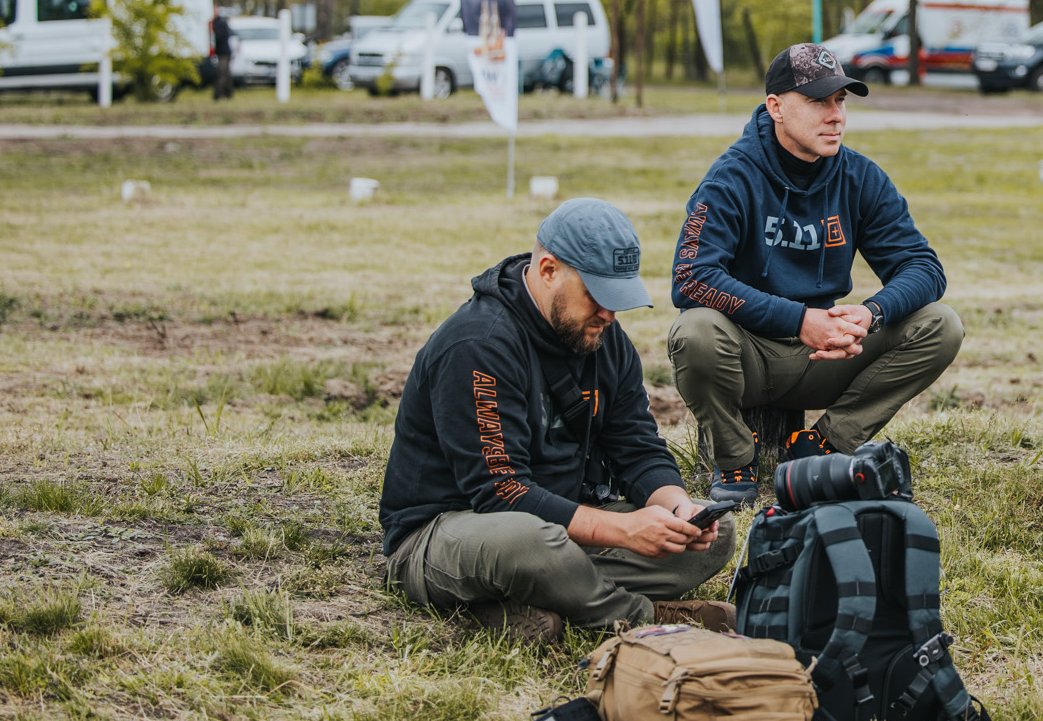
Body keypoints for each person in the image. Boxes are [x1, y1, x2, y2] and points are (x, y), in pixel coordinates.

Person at [379, 198, 734, 644]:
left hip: (559, 530)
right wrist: (622, 528)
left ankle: (534, 605)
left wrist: (678, 507)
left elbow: (637, 446)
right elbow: (501, 493)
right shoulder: (478, 344)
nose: (609, 314)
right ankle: (643, 620)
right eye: (598, 296)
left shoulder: (603, 337)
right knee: (530, 544)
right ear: (548, 270)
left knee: (712, 538)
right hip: (445, 533)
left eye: (618, 299)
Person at [668, 43, 963, 502]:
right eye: (817, 101)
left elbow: (922, 266)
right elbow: (691, 277)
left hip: (824, 358)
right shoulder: (731, 177)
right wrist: (800, 321)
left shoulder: (861, 177)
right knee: (695, 330)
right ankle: (735, 462)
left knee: (941, 325)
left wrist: (871, 313)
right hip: (747, 352)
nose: (835, 116)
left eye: (840, 101)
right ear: (776, 107)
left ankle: (821, 446)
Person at [211, 10, 233, 100]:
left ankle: (218, 95)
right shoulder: (220, 22)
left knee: (222, 73)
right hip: (223, 52)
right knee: (226, 74)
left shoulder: (219, 23)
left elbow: (219, 38)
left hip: (223, 52)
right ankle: (228, 94)